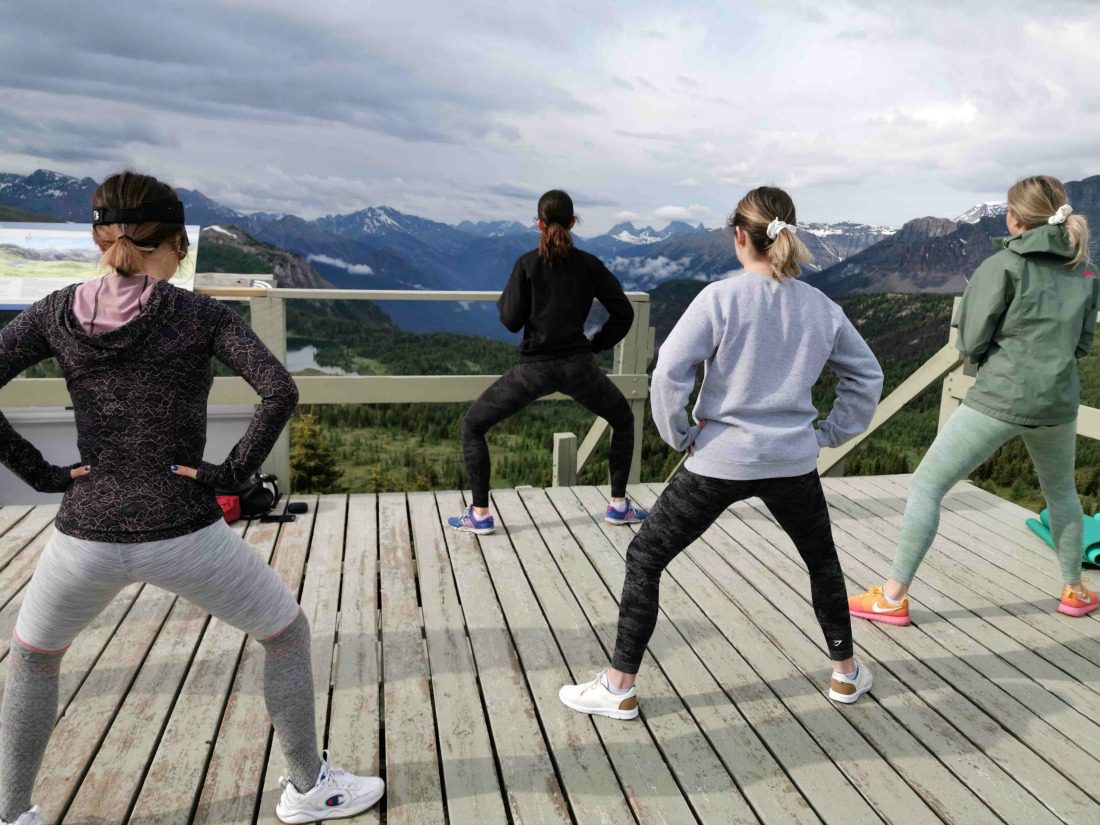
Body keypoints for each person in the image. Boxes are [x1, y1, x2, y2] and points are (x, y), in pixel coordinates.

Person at [0, 171, 383, 825]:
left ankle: (10, 813)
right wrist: (229, 475)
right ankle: (306, 786)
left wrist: (42, 473)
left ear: (97, 237)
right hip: (186, 529)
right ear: (178, 242)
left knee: (35, 660)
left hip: (84, 532)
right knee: (286, 634)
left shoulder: (54, 313)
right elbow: (279, 389)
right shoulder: (200, 314)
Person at [560, 186, 884, 718]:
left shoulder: (720, 298)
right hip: (793, 461)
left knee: (646, 556)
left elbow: (669, 372)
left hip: (718, 461)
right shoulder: (821, 307)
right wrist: (830, 433)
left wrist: (678, 434)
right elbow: (866, 374)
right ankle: (846, 675)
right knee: (821, 562)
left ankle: (619, 687)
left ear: (740, 235)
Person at [849, 175, 1098, 625]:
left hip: (999, 398)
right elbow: (1082, 344)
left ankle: (892, 598)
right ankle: (1075, 591)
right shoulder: (1084, 269)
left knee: (927, 486)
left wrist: (991, 362)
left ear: (1014, 217)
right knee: (1062, 494)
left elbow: (972, 340)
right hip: (1058, 403)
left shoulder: (1003, 266)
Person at [448, 189, 647, 534]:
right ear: (572, 223)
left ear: (538, 223)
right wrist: (596, 345)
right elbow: (624, 312)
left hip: (532, 371)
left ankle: (480, 514)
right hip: (579, 367)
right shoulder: (590, 265)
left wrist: (507, 301)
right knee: (623, 420)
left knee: (473, 426)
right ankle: (618, 506)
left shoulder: (527, 264)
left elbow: (511, 321)